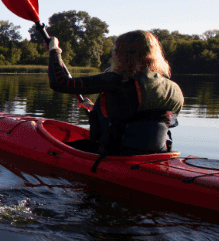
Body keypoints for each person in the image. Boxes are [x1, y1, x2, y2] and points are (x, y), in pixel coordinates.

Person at [47, 30, 183, 154]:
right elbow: (144, 116)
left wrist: (54, 50)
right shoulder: (172, 87)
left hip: (118, 153)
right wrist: (96, 108)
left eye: (116, 50)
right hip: (158, 154)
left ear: (122, 54)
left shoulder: (117, 80)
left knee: (52, 149)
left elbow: (60, 83)